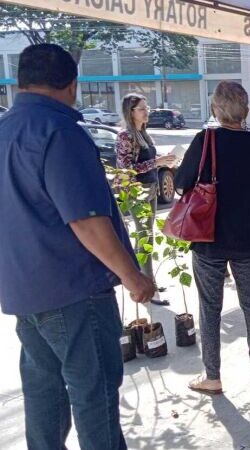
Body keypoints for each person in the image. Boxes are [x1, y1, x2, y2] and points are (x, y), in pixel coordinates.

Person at [0, 43, 155, 450]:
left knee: (44, 394)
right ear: (72, 85)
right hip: (73, 291)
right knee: (95, 395)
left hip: (24, 292)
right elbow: (86, 221)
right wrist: (133, 276)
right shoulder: (61, 132)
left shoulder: (5, 130)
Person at [175, 81, 250, 394]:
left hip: (208, 239)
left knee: (210, 307)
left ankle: (212, 376)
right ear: (246, 111)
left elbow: (182, 183)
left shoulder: (203, 140)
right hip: (249, 237)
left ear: (214, 109)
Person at [116, 93, 177, 305]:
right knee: (144, 239)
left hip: (150, 188)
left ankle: (147, 280)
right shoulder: (126, 136)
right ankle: (143, 285)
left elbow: (148, 161)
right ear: (130, 112)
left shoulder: (143, 133)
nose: (147, 111)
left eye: (146, 107)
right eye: (142, 108)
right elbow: (126, 169)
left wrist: (162, 160)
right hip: (137, 191)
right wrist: (156, 162)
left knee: (148, 237)